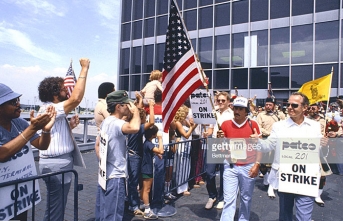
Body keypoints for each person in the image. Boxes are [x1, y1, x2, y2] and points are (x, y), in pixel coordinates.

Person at [251, 92, 323, 221]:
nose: (290, 107)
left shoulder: (315, 126)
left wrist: (325, 143)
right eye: (288, 104)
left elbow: (318, 149)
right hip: (285, 177)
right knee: (285, 215)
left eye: (294, 105)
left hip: (306, 176)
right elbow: (268, 146)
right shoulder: (279, 126)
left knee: (305, 218)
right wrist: (258, 142)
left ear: (305, 107)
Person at [37, 58, 90, 221]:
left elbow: (52, 133)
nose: (67, 91)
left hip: (57, 163)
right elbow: (76, 99)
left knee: (56, 206)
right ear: (54, 94)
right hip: (56, 165)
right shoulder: (51, 108)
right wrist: (84, 69)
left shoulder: (50, 109)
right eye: (62, 89)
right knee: (55, 209)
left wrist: (69, 127)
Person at [0, 83, 56, 221]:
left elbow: (41, 145)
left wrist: (46, 130)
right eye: (13, 102)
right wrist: (32, 129)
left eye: (18, 100)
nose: (18, 104)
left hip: (19, 192)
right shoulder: (25, 126)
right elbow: (2, 155)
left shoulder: (18, 122)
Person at [95, 90, 140, 221]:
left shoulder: (106, 122)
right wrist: (136, 111)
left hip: (105, 174)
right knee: (113, 215)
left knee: (102, 213)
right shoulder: (117, 123)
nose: (129, 107)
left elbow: (97, 145)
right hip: (116, 176)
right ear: (118, 107)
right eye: (127, 104)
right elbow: (135, 128)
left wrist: (103, 162)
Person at [219, 97, 262, 221]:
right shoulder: (225, 124)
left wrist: (257, 165)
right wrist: (219, 139)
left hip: (248, 166)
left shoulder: (253, 124)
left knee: (246, 198)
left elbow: (259, 147)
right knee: (228, 199)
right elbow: (221, 148)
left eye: (240, 109)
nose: (237, 111)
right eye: (235, 108)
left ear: (246, 111)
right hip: (230, 166)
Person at [204, 91, 234, 210]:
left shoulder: (232, 114)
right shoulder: (213, 112)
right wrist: (208, 133)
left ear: (228, 102)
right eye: (218, 100)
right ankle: (212, 196)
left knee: (224, 173)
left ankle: (222, 198)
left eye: (223, 100)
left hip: (226, 144)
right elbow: (211, 128)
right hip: (214, 143)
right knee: (209, 173)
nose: (220, 102)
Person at [127, 101, 155, 216]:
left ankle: (134, 202)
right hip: (135, 156)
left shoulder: (131, 126)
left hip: (133, 155)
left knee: (134, 181)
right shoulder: (138, 127)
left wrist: (139, 101)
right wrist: (152, 106)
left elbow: (137, 112)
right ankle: (133, 205)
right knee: (133, 181)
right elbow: (152, 122)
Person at [256, 97, 285, 198]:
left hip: (277, 142)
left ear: (274, 105)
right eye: (266, 105)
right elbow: (258, 127)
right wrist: (268, 133)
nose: (268, 107)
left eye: (270, 105)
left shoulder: (280, 115)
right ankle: (266, 178)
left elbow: (285, 125)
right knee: (262, 163)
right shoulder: (261, 115)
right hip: (265, 140)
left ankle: (272, 186)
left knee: (275, 165)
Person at [93, 82, 114, 219]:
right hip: (106, 143)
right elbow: (113, 119)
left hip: (101, 142)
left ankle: (101, 213)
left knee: (103, 179)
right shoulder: (104, 105)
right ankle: (105, 213)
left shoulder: (98, 104)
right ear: (108, 93)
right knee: (107, 180)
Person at [173, 105, 198, 196]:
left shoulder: (184, 121)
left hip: (187, 145)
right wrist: (191, 126)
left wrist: (195, 123)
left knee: (186, 166)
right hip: (182, 145)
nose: (187, 115)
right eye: (186, 113)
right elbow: (186, 134)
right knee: (181, 166)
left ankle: (185, 185)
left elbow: (192, 129)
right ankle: (180, 188)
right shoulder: (178, 122)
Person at [141, 125, 164, 219]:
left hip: (144, 167)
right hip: (147, 168)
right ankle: (147, 210)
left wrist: (156, 153)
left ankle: (144, 204)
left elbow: (152, 151)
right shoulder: (149, 143)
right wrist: (160, 139)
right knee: (147, 189)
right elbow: (161, 150)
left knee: (143, 188)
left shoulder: (146, 143)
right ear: (153, 135)